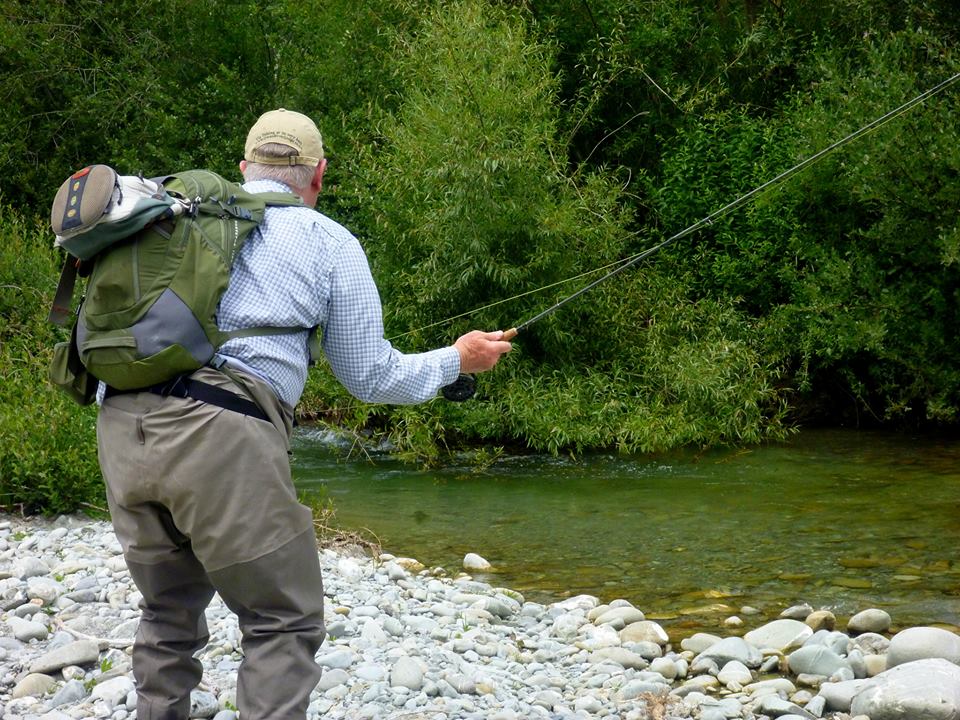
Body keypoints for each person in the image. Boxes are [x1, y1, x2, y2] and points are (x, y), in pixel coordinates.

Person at [96, 108, 512, 720]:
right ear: (318, 175)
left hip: (120, 424)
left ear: (242, 169)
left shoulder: (171, 220)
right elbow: (370, 375)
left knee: (167, 607)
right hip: (222, 432)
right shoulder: (326, 241)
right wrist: (457, 360)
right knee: (281, 619)